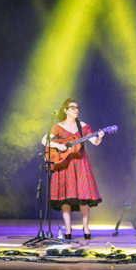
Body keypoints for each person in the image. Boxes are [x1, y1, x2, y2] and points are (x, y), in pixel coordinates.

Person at [41, 98, 104, 239]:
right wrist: (58, 146)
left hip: (81, 163)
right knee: (65, 197)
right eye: (73, 107)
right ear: (66, 110)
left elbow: (94, 142)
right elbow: (44, 140)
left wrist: (99, 137)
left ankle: (86, 227)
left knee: (84, 196)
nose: (76, 110)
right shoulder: (58, 126)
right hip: (64, 164)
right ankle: (68, 228)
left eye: (77, 107)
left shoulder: (83, 126)